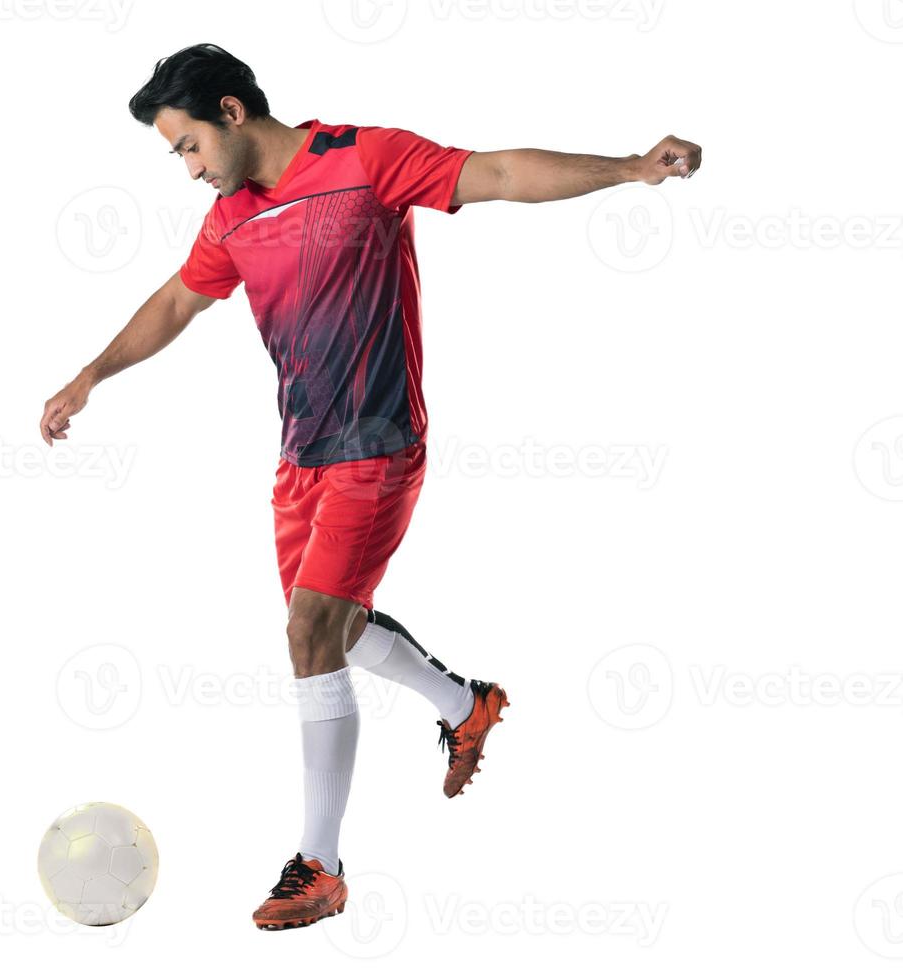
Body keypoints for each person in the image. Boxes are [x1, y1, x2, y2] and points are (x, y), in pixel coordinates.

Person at [39, 42, 701, 932]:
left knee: (311, 632)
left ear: (231, 112)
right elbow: (174, 303)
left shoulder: (364, 158)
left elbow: (497, 171)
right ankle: (467, 706)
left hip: (378, 442)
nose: (188, 168)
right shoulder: (232, 217)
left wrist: (627, 168)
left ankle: (320, 866)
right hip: (300, 456)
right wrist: (89, 375)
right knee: (336, 634)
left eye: (188, 145)